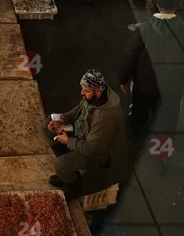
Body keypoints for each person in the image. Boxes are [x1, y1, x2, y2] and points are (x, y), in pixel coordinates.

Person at [119, 0, 184, 136]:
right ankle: (162, 145)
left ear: (158, 6)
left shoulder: (144, 29)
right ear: (176, 7)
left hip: (145, 83)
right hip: (173, 86)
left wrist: (123, 78)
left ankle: (136, 134)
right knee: (168, 116)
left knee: (140, 111)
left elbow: (130, 55)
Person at [41, 70, 126, 199]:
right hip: (84, 135)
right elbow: (78, 109)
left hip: (97, 154)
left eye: (85, 91)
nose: (82, 93)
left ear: (97, 91)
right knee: (46, 127)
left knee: (61, 164)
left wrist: (67, 141)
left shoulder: (105, 117)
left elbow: (91, 149)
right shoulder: (95, 97)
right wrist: (62, 120)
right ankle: (69, 171)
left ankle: (73, 185)